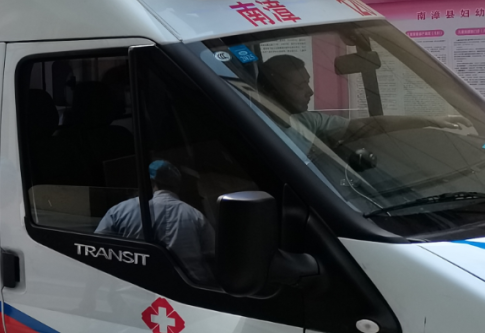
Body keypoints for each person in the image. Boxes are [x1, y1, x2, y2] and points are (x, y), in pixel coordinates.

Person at [258, 54, 466, 155]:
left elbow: (368, 126)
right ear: (273, 93)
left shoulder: (307, 121)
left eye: (308, 82)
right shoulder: (255, 130)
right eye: (299, 86)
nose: (310, 91)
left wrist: (430, 120)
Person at [96, 160, 216, 286]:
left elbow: (97, 249)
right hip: (188, 290)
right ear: (177, 185)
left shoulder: (120, 211)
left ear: (150, 182)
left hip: (133, 289)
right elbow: (212, 256)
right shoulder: (196, 216)